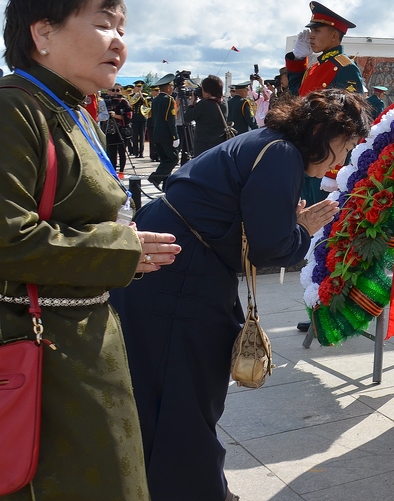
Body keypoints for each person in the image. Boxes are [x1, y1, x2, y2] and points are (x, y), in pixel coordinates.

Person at [110, 89, 368, 501]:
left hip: (172, 264)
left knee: (164, 387)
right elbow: (269, 244)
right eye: (344, 147)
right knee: (185, 394)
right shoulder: (282, 153)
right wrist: (301, 231)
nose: (339, 161)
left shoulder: (268, 142)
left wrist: (291, 224)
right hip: (182, 273)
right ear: (322, 131)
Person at [0, 0, 180, 500]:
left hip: (81, 336)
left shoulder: (69, 108)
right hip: (39, 347)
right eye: (104, 24)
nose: (119, 42)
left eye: (123, 28)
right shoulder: (15, 109)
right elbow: (7, 237)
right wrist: (122, 248)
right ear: (43, 33)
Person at [284, 1, 364, 205]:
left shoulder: (345, 68)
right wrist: (297, 60)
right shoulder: (316, 66)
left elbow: (349, 122)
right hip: (306, 152)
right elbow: (297, 95)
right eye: (311, 30)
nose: (311, 35)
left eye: (317, 30)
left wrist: (334, 170)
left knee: (321, 225)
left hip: (325, 160)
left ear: (334, 35)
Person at [187, 75, 230, 157]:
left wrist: (192, 104)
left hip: (203, 145)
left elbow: (187, 118)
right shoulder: (224, 103)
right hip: (219, 143)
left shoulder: (203, 105)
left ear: (207, 92)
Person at [148, 74, 180, 186]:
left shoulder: (155, 100)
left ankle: (166, 182)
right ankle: (155, 178)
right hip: (166, 135)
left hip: (157, 134)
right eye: (171, 86)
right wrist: (175, 136)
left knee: (165, 160)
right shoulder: (169, 100)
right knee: (173, 159)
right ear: (167, 88)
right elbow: (170, 120)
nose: (172, 88)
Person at [104, 85, 133, 175]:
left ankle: (121, 171)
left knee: (122, 152)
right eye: (113, 90)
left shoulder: (124, 102)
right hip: (110, 130)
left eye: (117, 90)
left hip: (122, 130)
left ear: (121, 91)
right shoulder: (106, 102)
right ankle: (112, 171)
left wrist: (116, 115)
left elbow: (129, 116)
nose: (115, 92)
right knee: (111, 152)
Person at [129, 80, 150, 157]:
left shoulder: (145, 96)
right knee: (134, 136)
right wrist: (136, 95)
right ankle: (135, 152)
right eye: (137, 86)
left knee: (142, 136)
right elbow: (130, 103)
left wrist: (141, 97)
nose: (139, 88)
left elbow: (147, 105)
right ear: (135, 87)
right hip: (134, 118)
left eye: (140, 86)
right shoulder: (131, 96)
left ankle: (141, 152)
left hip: (142, 118)